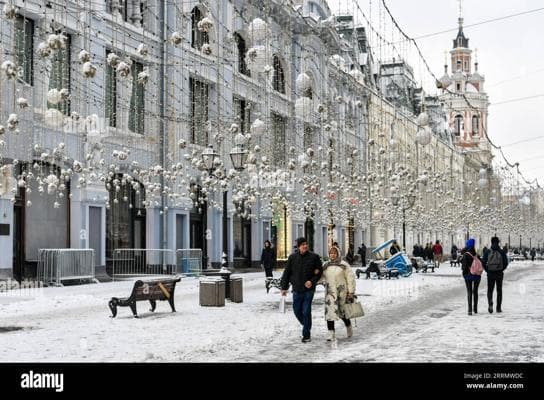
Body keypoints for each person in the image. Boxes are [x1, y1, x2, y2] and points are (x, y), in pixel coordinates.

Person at [280, 237, 323, 343]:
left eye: (306, 244)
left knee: (306, 310)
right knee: (296, 310)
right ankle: (307, 324)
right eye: (303, 244)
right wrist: (284, 287)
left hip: (309, 290)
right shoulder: (292, 258)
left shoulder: (314, 257)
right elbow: (287, 273)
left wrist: (312, 281)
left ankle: (306, 334)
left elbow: (319, 272)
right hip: (297, 289)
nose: (305, 246)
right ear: (298, 246)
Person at [320, 246, 356, 342]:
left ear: (338, 254)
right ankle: (331, 333)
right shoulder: (326, 265)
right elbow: (320, 277)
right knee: (330, 312)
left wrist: (351, 292)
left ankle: (348, 326)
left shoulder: (344, 265)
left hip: (342, 292)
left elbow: (350, 278)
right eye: (331, 253)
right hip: (330, 293)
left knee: (342, 312)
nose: (333, 255)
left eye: (334, 253)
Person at [482, 236, 508, 313]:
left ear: (491, 242)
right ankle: (498, 308)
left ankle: (490, 302)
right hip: (499, 273)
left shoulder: (488, 251)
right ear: (498, 242)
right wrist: (501, 269)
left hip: (490, 273)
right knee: (499, 290)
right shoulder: (501, 252)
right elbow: (506, 263)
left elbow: (483, 262)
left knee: (490, 290)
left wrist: (487, 270)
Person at [461, 238, 482, 316]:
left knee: (469, 291)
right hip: (476, 276)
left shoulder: (466, 255)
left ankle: (469, 310)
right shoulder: (476, 254)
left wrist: (464, 273)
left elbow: (464, 267)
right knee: (475, 291)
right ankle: (475, 308)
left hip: (468, 276)